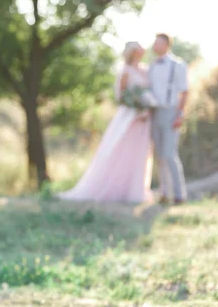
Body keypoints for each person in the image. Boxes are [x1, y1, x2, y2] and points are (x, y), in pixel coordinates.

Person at [58, 42, 154, 203]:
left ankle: (135, 192)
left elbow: (148, 93)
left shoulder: (145, 70)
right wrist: (136, 109)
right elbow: (121, 96)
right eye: (137, 49)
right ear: (132, 52)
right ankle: (113, 189)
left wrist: (147, 109)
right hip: (129, 117)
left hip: (144, 119)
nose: (141, 52)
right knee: (120, 151)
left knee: (138, 154)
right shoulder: (125, 70)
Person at [149, 33, 189, 204]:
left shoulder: (177, 65)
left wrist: (179, 114)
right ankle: (165, 193)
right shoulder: (152, 66)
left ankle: (180, 195)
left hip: (170, 111)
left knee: (170, 154)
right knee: (159, 155)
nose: (155, 46)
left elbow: (185, 92)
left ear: (166, 45)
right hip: (154, 112)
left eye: (158, 43)